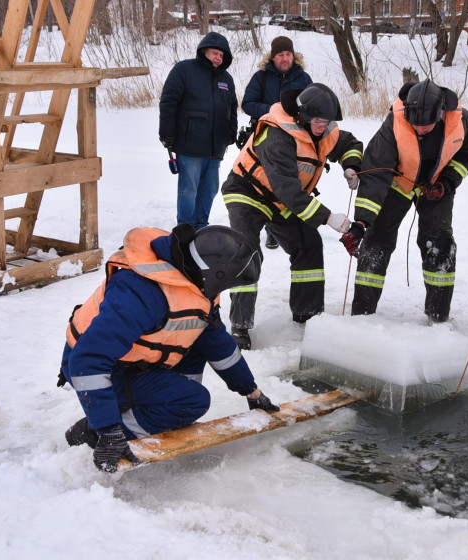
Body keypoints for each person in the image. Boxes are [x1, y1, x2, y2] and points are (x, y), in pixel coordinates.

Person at [59, 224, 279, 472]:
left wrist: (251, 391)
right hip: (95, 368)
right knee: (192, 401)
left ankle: (159, 413)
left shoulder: (193, 282)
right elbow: (87, 361)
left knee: (198, 342)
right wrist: (108, 430)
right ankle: (96, 434)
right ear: (214, 275)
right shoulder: (141, 294)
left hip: (129, 359)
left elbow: (218, 345)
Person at [221, 83, 363, 350]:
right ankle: (240, 326)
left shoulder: (323, 131)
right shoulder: (278, 136)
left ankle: (306, 313)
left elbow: (350, 144)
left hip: (282, 201)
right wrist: (328, 217)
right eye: (320, 121)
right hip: (248, 193)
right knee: (248, 252)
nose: (324, 126)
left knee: (308, 245)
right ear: (304, 116)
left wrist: (351, 166)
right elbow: (289, 192)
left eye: (328, 121)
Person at [342, 79, 468, 322]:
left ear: (440, 114)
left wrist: (446, 183)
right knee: (376, 242)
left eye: (426, 126)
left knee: (439, 244)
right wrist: (362, 223)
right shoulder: (394, 124)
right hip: (399, 184)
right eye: (415, 125)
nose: (420, 130)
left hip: (437, 185)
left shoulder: (461, 121)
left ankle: (438, 317)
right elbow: (376, 172)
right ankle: (362, 316)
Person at [239, 35, 313, 251]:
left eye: (288, 54)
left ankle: (283, 228)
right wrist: (274, 112)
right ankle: (269, 229)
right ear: (273, 57)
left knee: (290, 181)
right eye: (280, 54)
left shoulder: (303, 78)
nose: (285, 58)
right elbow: (248, 104)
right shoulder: (261, 77)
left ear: (293, 56)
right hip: (265, 138)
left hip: (296, 139)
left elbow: (313, 104)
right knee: (264, 183)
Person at [159, 32, 238, 229]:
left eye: (221, 55)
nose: (218, 58)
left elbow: (233, 107)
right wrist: (166, 132)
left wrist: (231, 132)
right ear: (204, 51)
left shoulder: (226, 79)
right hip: (190, 143)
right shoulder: (184, 70)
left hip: (215, 147)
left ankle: (201, 226)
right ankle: (185, 229)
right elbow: (169, 102)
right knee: (189, 189)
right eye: (214, 53)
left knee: (210, 190)